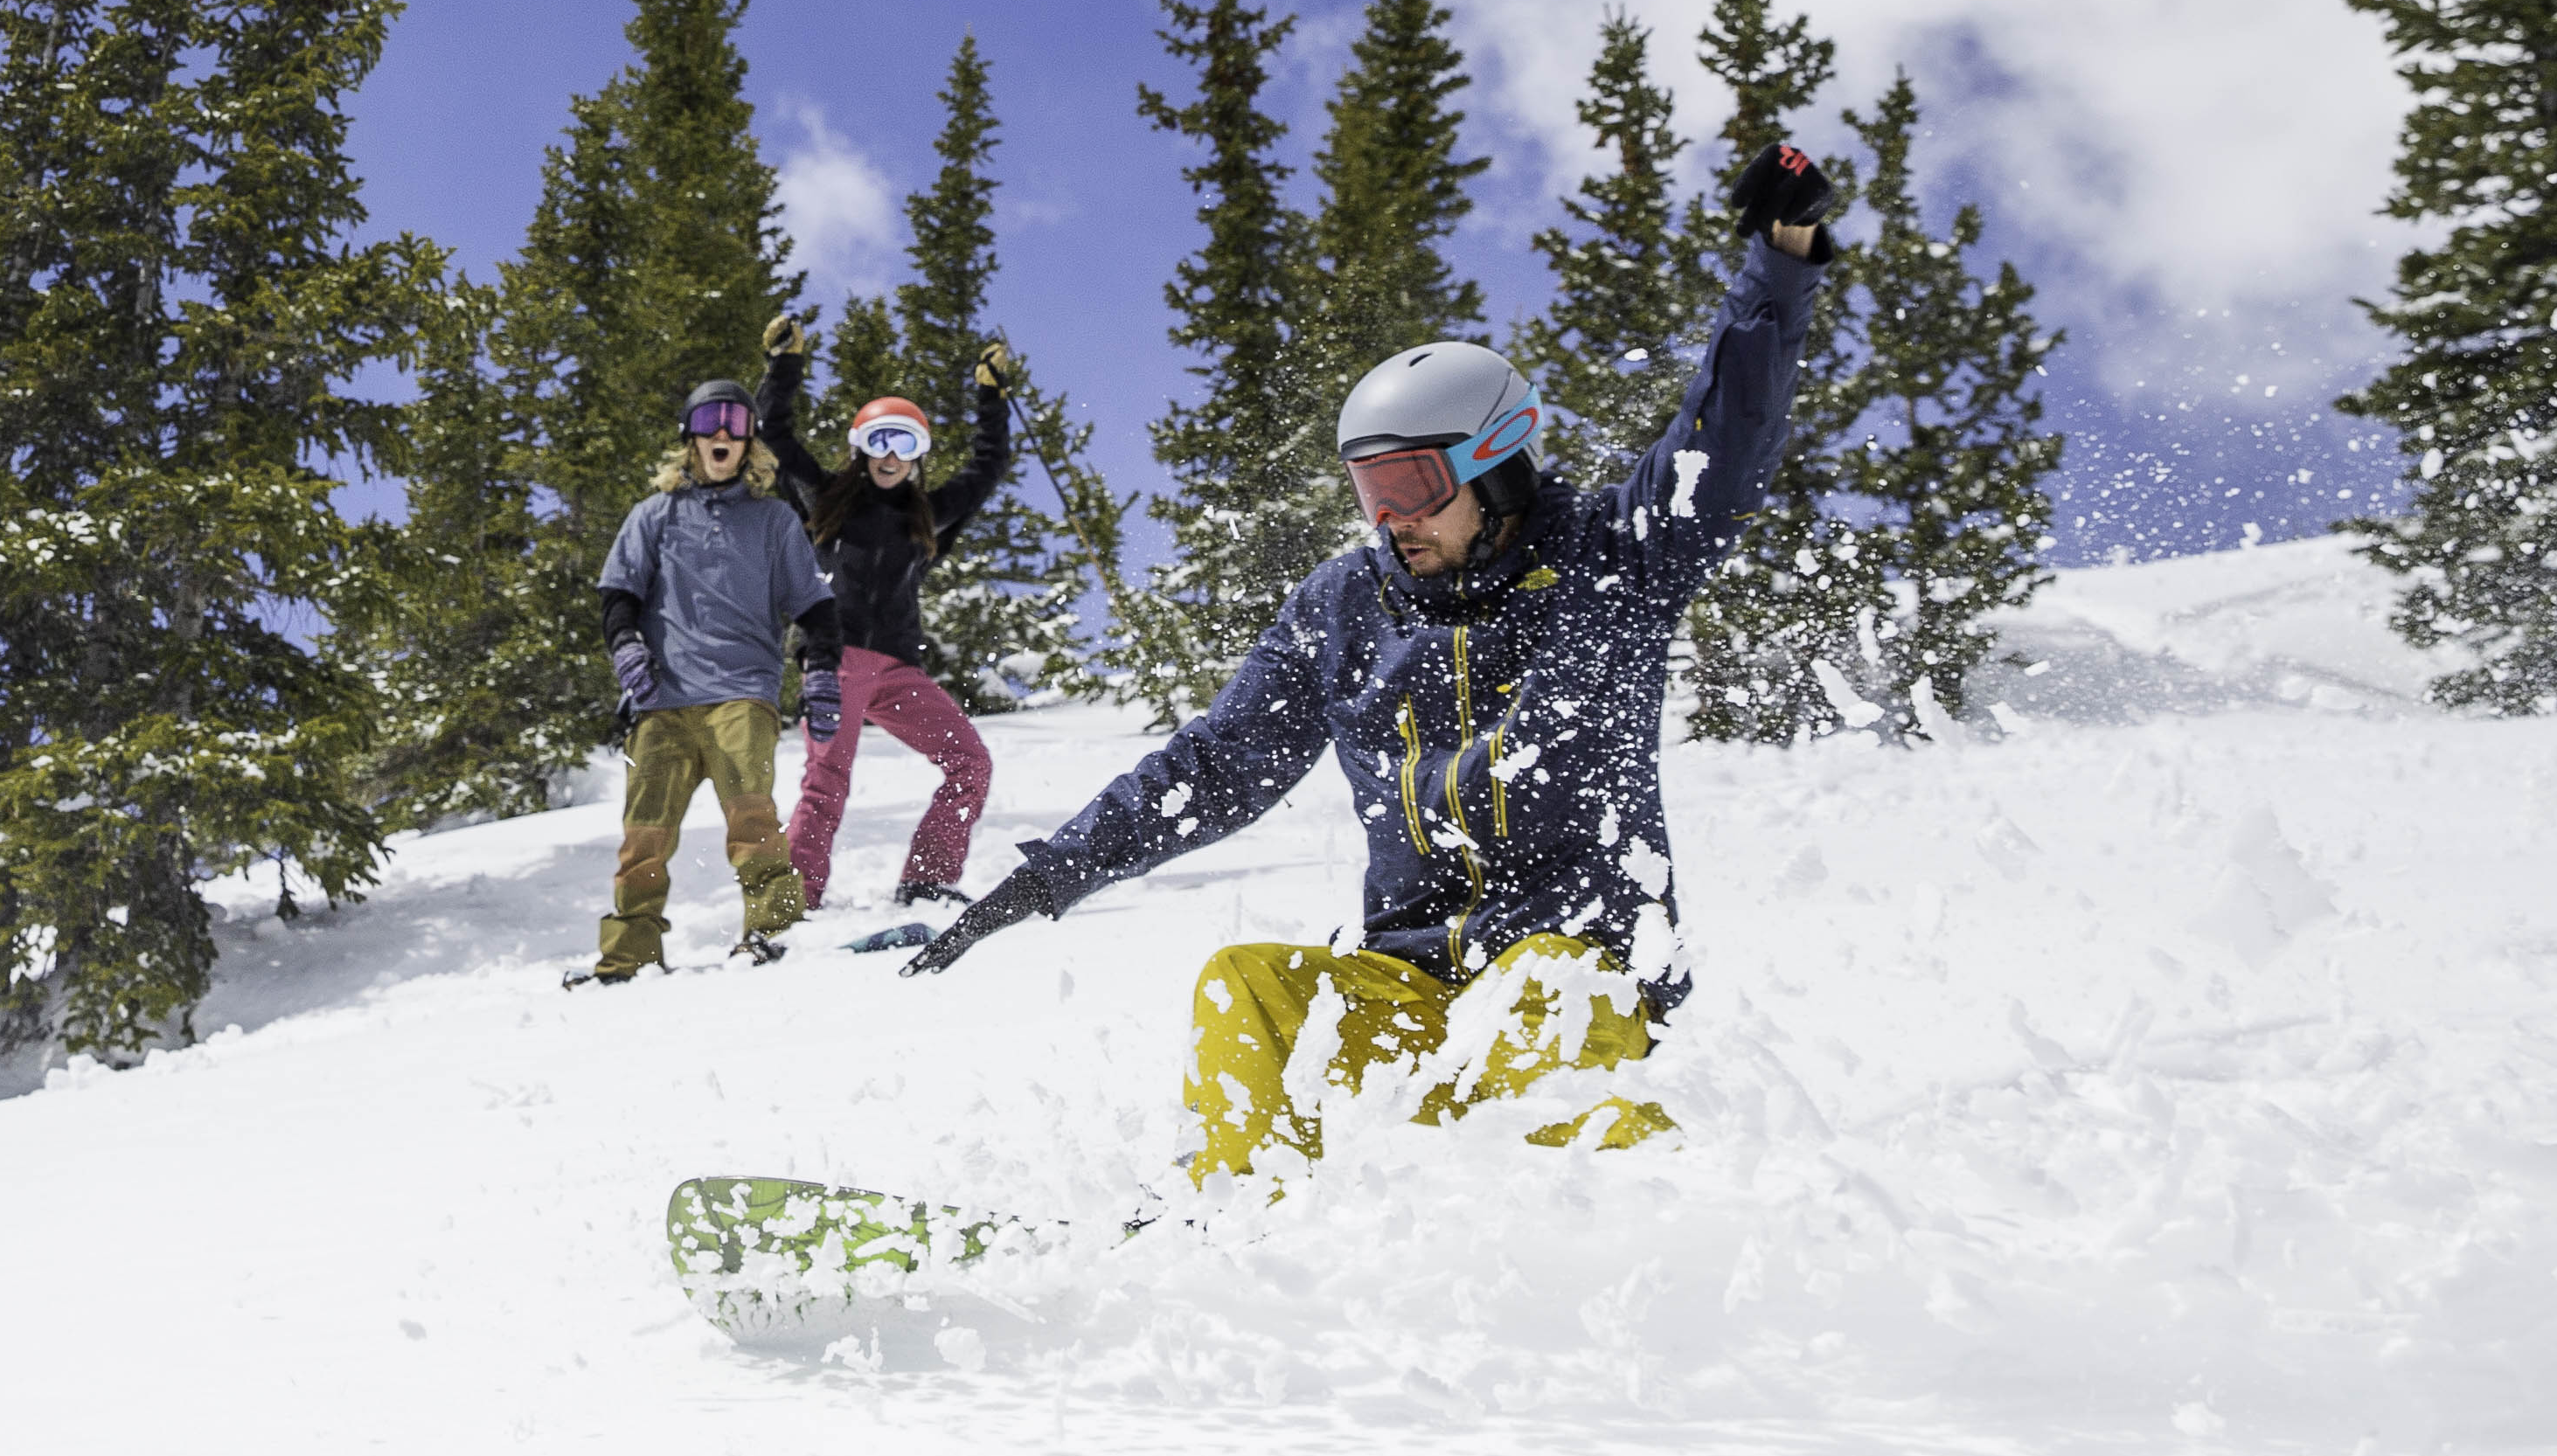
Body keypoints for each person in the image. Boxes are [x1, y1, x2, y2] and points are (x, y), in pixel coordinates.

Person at [903, 147, 1841, 1191]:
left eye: (1411, 485)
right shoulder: (1345, 609)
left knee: (1545, 985)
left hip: (1581, 977)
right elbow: (1216, 766)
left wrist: (1782, 260)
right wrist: (1050, 873)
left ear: (1499, 462)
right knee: (1243, 989)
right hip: (1413, 987)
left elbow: (1728, 440)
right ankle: (1237, 1222)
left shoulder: (1613, 561)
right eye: (1368, 492)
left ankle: (1585, 1223)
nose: (1389, 521)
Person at [578, 376, 840, 987]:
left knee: (752, 818)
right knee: (643, 840)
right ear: (689, 438)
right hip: (660, 700)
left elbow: (816, 608)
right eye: (708, 421)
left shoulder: (774, 521)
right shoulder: (655, 515)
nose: (722, 432)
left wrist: (820, 668)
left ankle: (773, 932)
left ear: (751, 440)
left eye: (736, 421)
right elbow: (618, 595)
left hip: (742, 693)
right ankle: (628, 959)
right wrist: (626, 648)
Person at [755, 316, 1018, 913]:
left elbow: (988, 466)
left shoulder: (928, 515)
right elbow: (776, 431)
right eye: (878, 441)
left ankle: (927, 880)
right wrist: (785, 363)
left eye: (904, 443)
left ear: (918, 455)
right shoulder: (826, 501)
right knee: (827, 781)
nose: (890, 455)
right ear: (859, 448)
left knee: (970, 763)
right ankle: (794, 898)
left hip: (900, 670)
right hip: (836, 661)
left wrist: (991, 394)